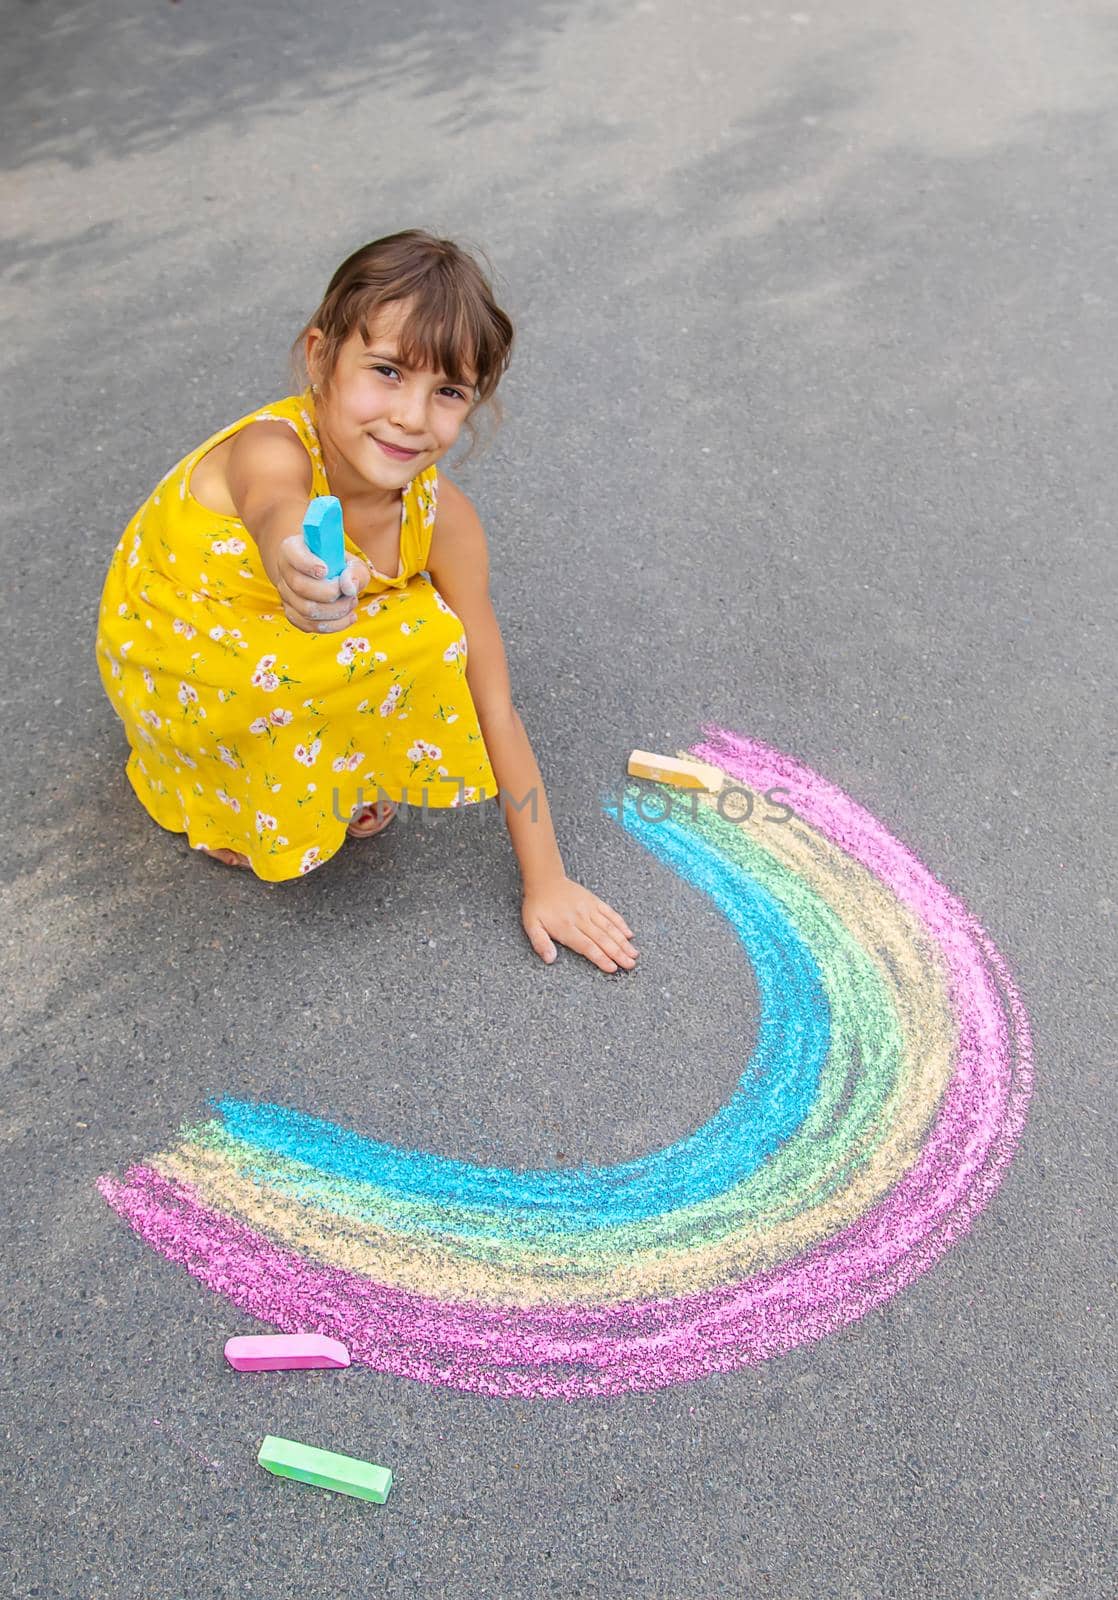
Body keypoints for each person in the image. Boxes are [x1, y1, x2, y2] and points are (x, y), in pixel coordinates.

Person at [94, 229, 639, 975]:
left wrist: (547, 879)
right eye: (386, 372)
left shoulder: (445, 520)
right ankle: (218, 794)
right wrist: (295, 558)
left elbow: (494, 702)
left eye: (448, 392)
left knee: (430, 638)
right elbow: (274, 506)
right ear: (320, 357)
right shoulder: (272, 448)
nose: (414, 417)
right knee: (303, 663)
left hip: (283, 641)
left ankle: (339, 760)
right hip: (179, 652)